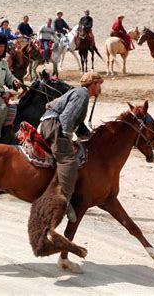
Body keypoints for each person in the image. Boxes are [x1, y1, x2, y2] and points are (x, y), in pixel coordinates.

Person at [39, 72, 103, 223]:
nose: (100, 87)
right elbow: (67, 117)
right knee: (69, 161)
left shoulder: (79, 93)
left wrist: (87, 134)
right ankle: (63, 202)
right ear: (93, 84)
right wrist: (67, 135)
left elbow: (77, 121)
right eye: (99, 84)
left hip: (52, 123)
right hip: (54, 126)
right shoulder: (82, 94)